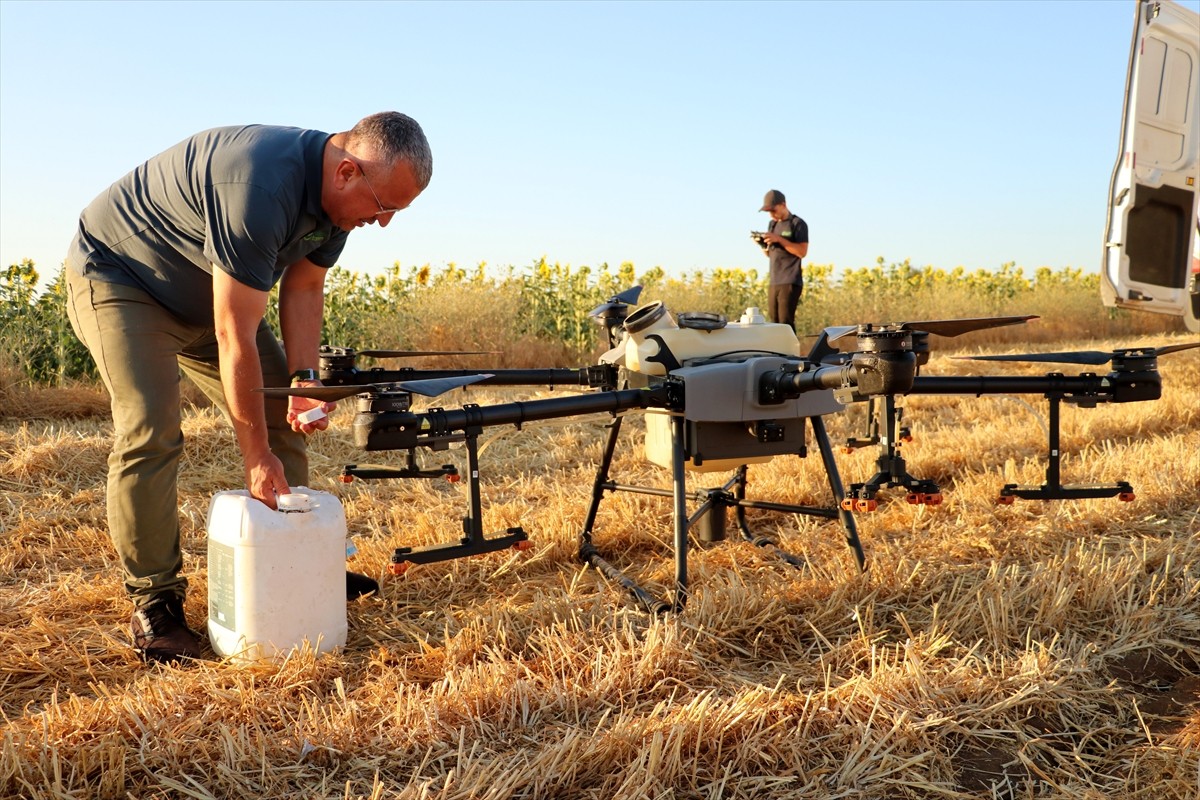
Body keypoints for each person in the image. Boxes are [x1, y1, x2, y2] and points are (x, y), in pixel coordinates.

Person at [64, 112, 433, 664]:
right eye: (384, 208)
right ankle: (155, 607)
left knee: (284, 408)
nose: (382, 224)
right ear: (348, 172)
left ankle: (298, 558)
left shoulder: (339, 205)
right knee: (152, 429)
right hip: (125, 281)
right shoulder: (259, 184)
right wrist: (254, 455)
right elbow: (232, 332)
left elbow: (305, 288)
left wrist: (304, 384)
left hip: (210, 297)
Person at [755, 189, 808, 331]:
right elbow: (770, 254)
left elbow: (802, 252)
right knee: (774, 323)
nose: (771, 214)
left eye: (773, 210)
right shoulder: (772, 225)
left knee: (785, 322)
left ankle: (791, 353)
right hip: (774, 280)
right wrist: (762, 244)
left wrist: (779, 239)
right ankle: (777, 353)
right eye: (768, 212)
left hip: (790, 280)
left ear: (783, 204)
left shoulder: (798, 223)